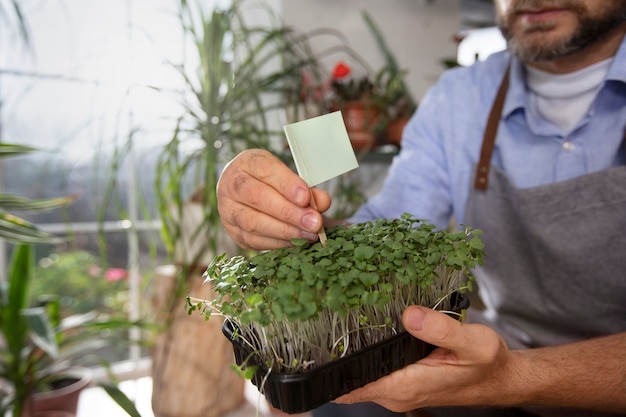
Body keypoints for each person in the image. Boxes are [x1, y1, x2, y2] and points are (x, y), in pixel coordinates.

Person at [216, 0, 626, 416]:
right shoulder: (458, 98)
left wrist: (513, 377)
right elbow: (384, 236)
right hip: (499, 348)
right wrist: (290, 216)